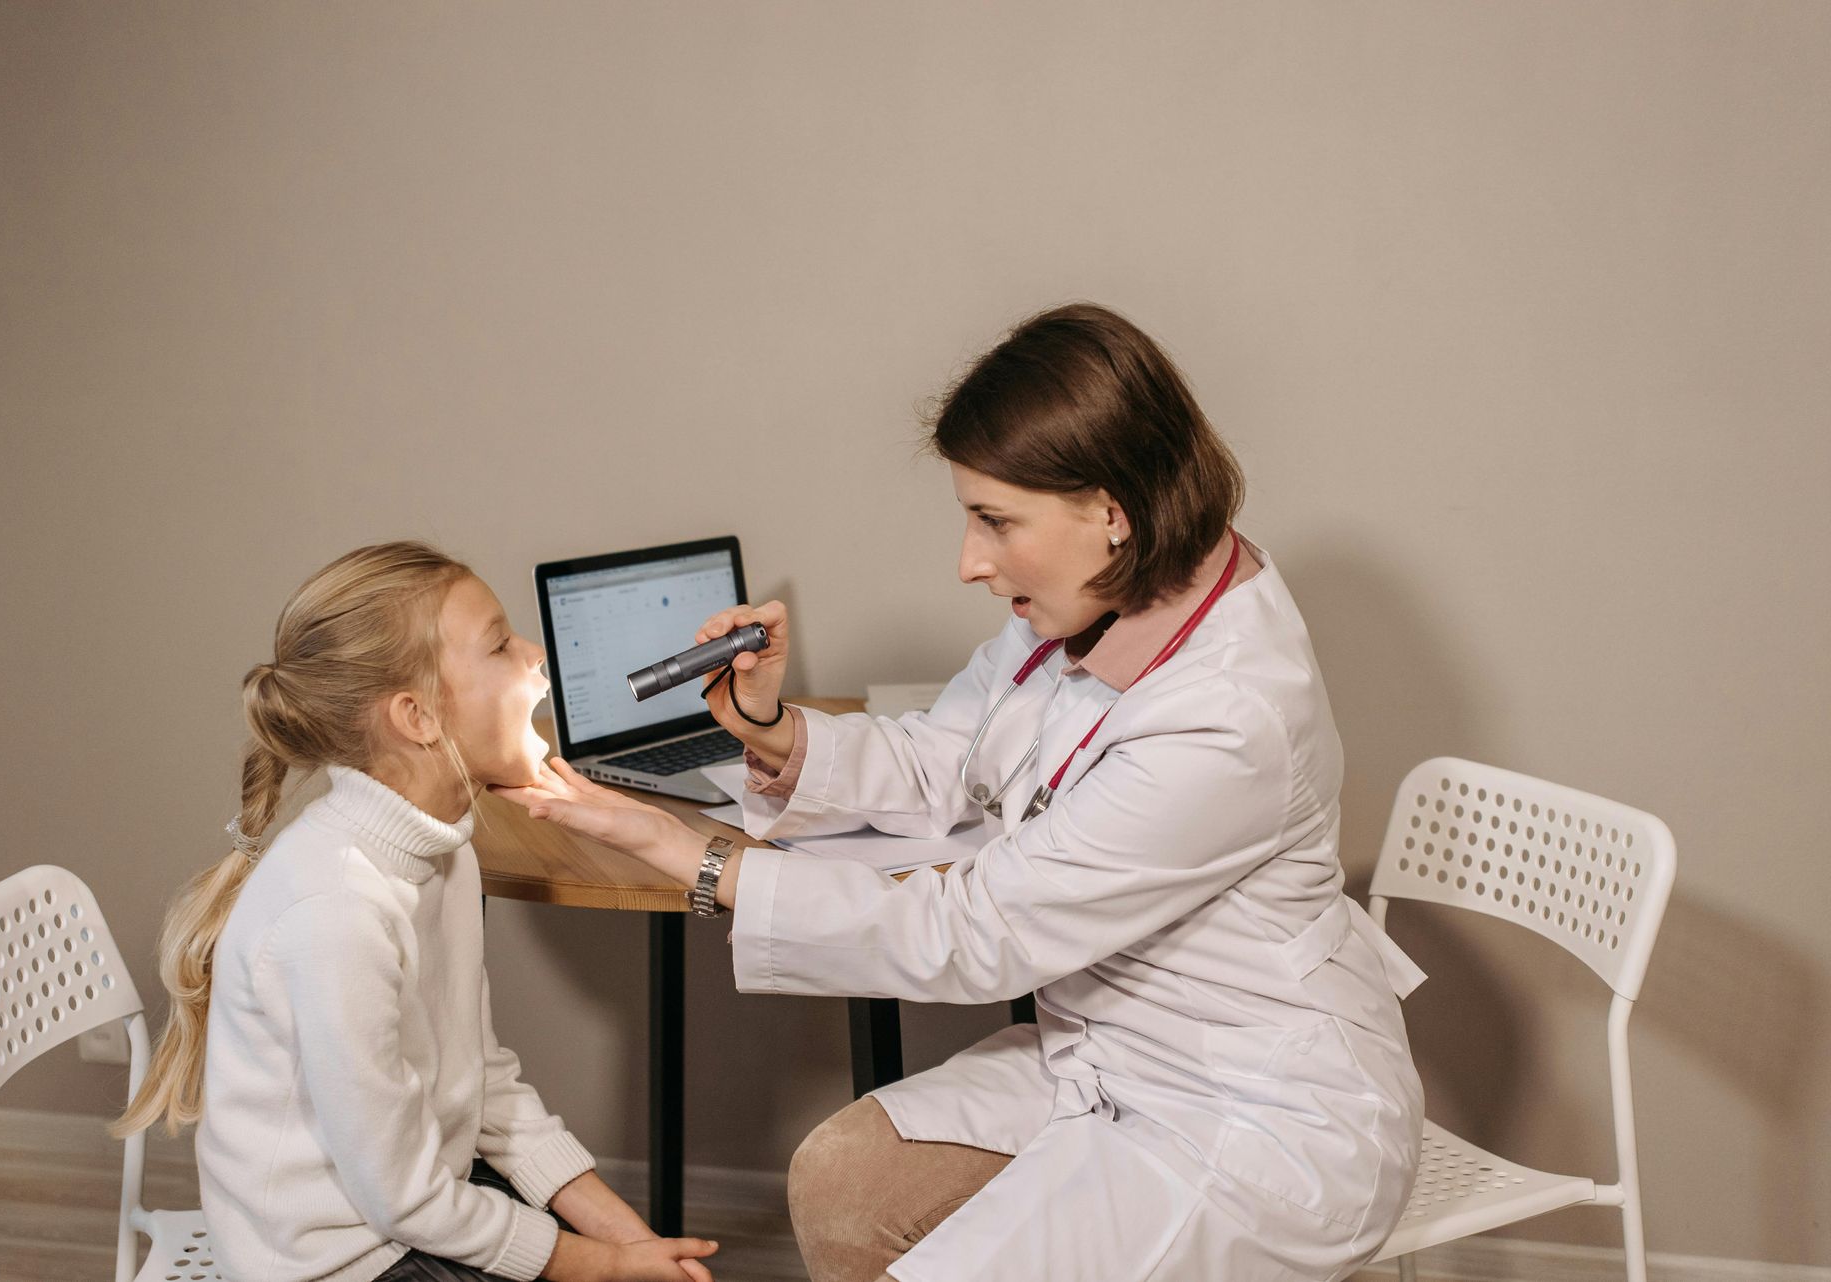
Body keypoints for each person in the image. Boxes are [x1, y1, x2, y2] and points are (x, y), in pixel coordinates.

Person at [497, 303, 1428, 1282]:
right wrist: (772, 727)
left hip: (1253, 1114)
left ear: (1110, 510)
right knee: (841, 1180)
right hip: (1108, 1051)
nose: (969, 562)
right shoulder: (1104, 590)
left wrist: (695, 856)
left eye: (995, 521)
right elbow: (950, 754)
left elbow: (979, 930)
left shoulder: (1227, 715)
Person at [113, 542, 720, 1282]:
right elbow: (404, 1199)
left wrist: (629, 1240)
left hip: (414, 1201)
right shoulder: (336, 912)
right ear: (419, 716)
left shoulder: (444, 852)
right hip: (337, 1262)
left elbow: (482, 1082)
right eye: (499, 644)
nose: (536, 656)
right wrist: (603, 1267)